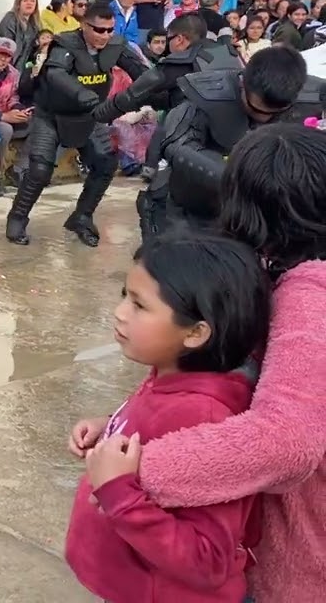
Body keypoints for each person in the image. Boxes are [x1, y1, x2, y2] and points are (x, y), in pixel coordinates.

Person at [123, 123, 326, 603]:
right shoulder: (274, 272)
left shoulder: (310, 295)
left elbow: (286, 441)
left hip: (293, 566)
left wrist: (137, 471)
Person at [65, 233, 268, 603]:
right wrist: (112, 425)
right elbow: (155, 417)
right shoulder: (172, 374)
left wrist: (117, 493)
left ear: (194, 332)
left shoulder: (204, 418)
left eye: (139, 305)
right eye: (124, 295)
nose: (120, 311)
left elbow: (207, 560)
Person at [5, 6, 152, 247]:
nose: (104, 35)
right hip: (51, 115)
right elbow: (55, 74)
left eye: (109, 30)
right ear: (84, 25)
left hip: (89, 115)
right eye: (98, 30)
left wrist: (155, 88)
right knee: (40, 171)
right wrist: (81, 93)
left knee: (105, 164)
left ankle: (82, 216)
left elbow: (141, 72)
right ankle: (17, 218)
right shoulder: (65, 44)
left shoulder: (116, 46)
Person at [138, 47, 314, 243]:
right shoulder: (205, 98)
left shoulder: (313, 100)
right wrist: (246, 180)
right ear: (243, 84)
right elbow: (177, 145)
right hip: (198, 197)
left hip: (264, 206)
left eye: (274, 112)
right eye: (256, 108)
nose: (263, 118)